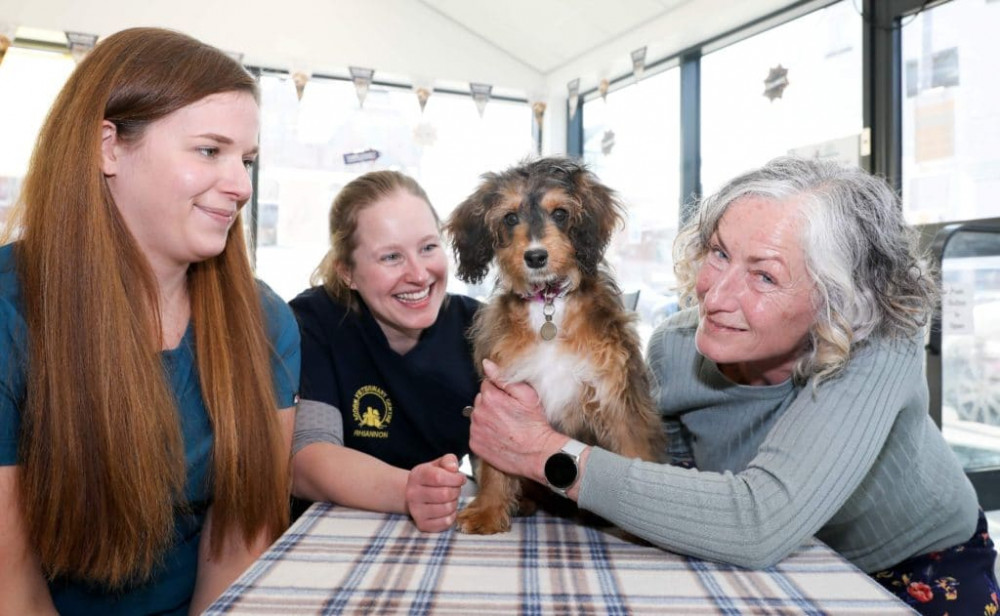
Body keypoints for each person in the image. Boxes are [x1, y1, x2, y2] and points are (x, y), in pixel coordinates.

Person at [465, 156, 999, 615]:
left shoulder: (881, 342)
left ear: (836, 298)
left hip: (917, 567)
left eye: (764, 275)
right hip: (778, 562)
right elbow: (659, 474)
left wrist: (543, 452)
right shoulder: (676, 346)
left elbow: (759, 520)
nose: (716, 296)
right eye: (718, 253)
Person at [0, 28, 300, 615]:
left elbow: (237, 545)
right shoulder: (11, 314)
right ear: (107, 147)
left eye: (247, 159)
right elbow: (10, 582)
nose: (241, 185)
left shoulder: (266, 320)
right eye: (210, 151)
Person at [289, 170, 478, 532]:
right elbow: (306, 460)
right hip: (334, 534)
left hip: (440, 528)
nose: (420, 275)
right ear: (347, 272)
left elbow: (503, 468)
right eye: (391, 257)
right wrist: (410, 490)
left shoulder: (479, 328)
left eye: (428, 247)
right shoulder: (315, 321)